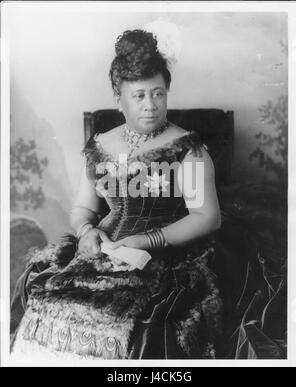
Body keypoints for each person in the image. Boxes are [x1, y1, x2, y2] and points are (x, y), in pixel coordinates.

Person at [10, 29, 222, 360]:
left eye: (158, 94)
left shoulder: (186, 148)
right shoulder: (100, 146)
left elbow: (207, 217)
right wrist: (86, 230)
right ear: (118, 99)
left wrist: (147, 241)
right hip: (104, 251)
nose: (151, 106)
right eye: (139, 96)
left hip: (167, 251)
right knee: (49, 298)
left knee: (136, 321)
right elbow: (83, 207)